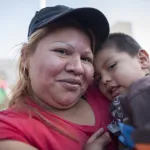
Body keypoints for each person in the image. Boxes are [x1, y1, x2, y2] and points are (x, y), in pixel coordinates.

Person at [0, 5, 117, 150]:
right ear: (25, 56)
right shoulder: (9, 129)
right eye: (62, 51)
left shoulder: (108, 91)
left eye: (86, 59)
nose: (78, 68)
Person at [94, 33, 150, 150]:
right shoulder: (123, 100)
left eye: (111, 66)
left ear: (142, 60)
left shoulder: (143, 89)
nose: (104, 80)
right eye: (98, 78)